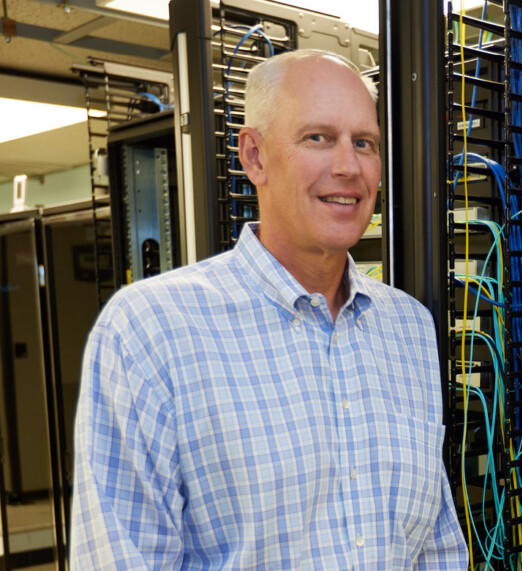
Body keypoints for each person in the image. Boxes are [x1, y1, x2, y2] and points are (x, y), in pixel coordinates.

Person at [70, 49, 468, 569]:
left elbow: (434, 547)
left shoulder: (409, 327)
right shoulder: (150, 329)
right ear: (253, 156)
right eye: (317, 138)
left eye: (364, 143)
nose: (349, 167)